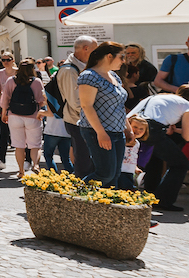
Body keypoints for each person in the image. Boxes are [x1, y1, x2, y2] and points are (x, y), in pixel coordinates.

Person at [129, 85, 189, 212]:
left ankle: (150, 195)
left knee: (155, 160)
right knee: (180, 164)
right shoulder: (188, 107)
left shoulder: (162, 97)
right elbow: (188, 136)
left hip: (133, 124)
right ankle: (164, 200)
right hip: (152, 129)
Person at [76, 43, 129, 188]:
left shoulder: (114, 76)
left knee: (114, 175)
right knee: (105, 173)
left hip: (117, 131)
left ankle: (104, 208)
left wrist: (127, 127)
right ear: (109, 56)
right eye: (121, 57)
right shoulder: (89, 76)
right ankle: (74, 196)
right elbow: (87, 106)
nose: (123, 61)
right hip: (97, 130)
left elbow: (119, 104)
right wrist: (101, 132)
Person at [57, 36, 98, 181]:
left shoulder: (82, 66)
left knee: (89, 159)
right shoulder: (69, 70)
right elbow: (76, 102)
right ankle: (82, 192)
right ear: (86, 49)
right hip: (77, 121)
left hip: (86, 120)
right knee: (84, 160)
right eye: (95, 49)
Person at [2, 58, 46, 178]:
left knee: (19, 145)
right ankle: (35, 165)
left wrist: (4, 113)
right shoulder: (36, 81)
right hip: (32, 115)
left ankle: (21, 171)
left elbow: (5, 98)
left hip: (14, 115)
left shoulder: (11, 80)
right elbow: (41, 101)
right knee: (35, 145)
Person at [123, 43, 157, 110]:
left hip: (141, 96)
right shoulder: (124, 66)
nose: (130, 55)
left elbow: (153, 84)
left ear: (140, 54)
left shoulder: (148, 67)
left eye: (133, 53)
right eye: (128, 53)